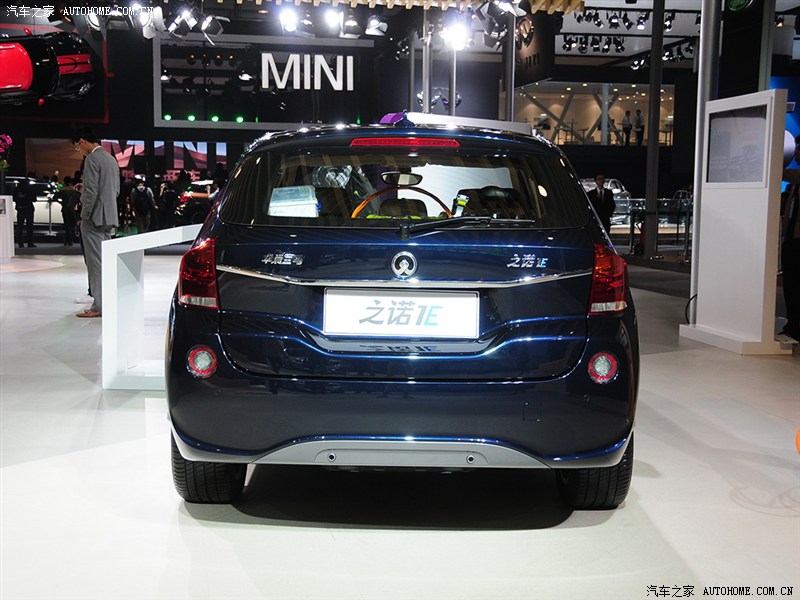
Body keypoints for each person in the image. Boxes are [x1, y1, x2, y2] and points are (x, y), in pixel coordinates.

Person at [71, 126, 119, 319]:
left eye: (77, 147)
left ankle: (99, 306)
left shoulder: (91, 159)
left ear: (83, 141)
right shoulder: (111, 159)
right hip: (109, 217)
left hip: (94, 219)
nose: (79, 150)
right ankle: (106, 301)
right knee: (104, 262)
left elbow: (91, 192)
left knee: (95, 264)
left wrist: (84, 214)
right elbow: (115, 190)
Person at [779, 135, 800, 341]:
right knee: (791, 286)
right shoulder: (793, 185)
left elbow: (783, 172)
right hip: (791, 240)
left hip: (798, 241)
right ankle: (792, 325)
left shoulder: (796, 178)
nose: (797, 153)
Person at [56, 176, 81, 246]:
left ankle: (67, 239)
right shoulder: (73, 190)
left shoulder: (62, 190)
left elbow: (55, 198)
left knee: (67, 225)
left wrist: (61, 203)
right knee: (72, 225)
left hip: (65, 209)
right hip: (73, 210)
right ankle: (71, 239)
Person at [12, 178, 36, 248]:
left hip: (20, 209)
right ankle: (30, 242)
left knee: (20, 226)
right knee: (29, 226)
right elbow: (34, 199)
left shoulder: (17, 189)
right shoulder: (30, 189)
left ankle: (20, 242)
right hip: (29, 208)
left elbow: (14, 198)